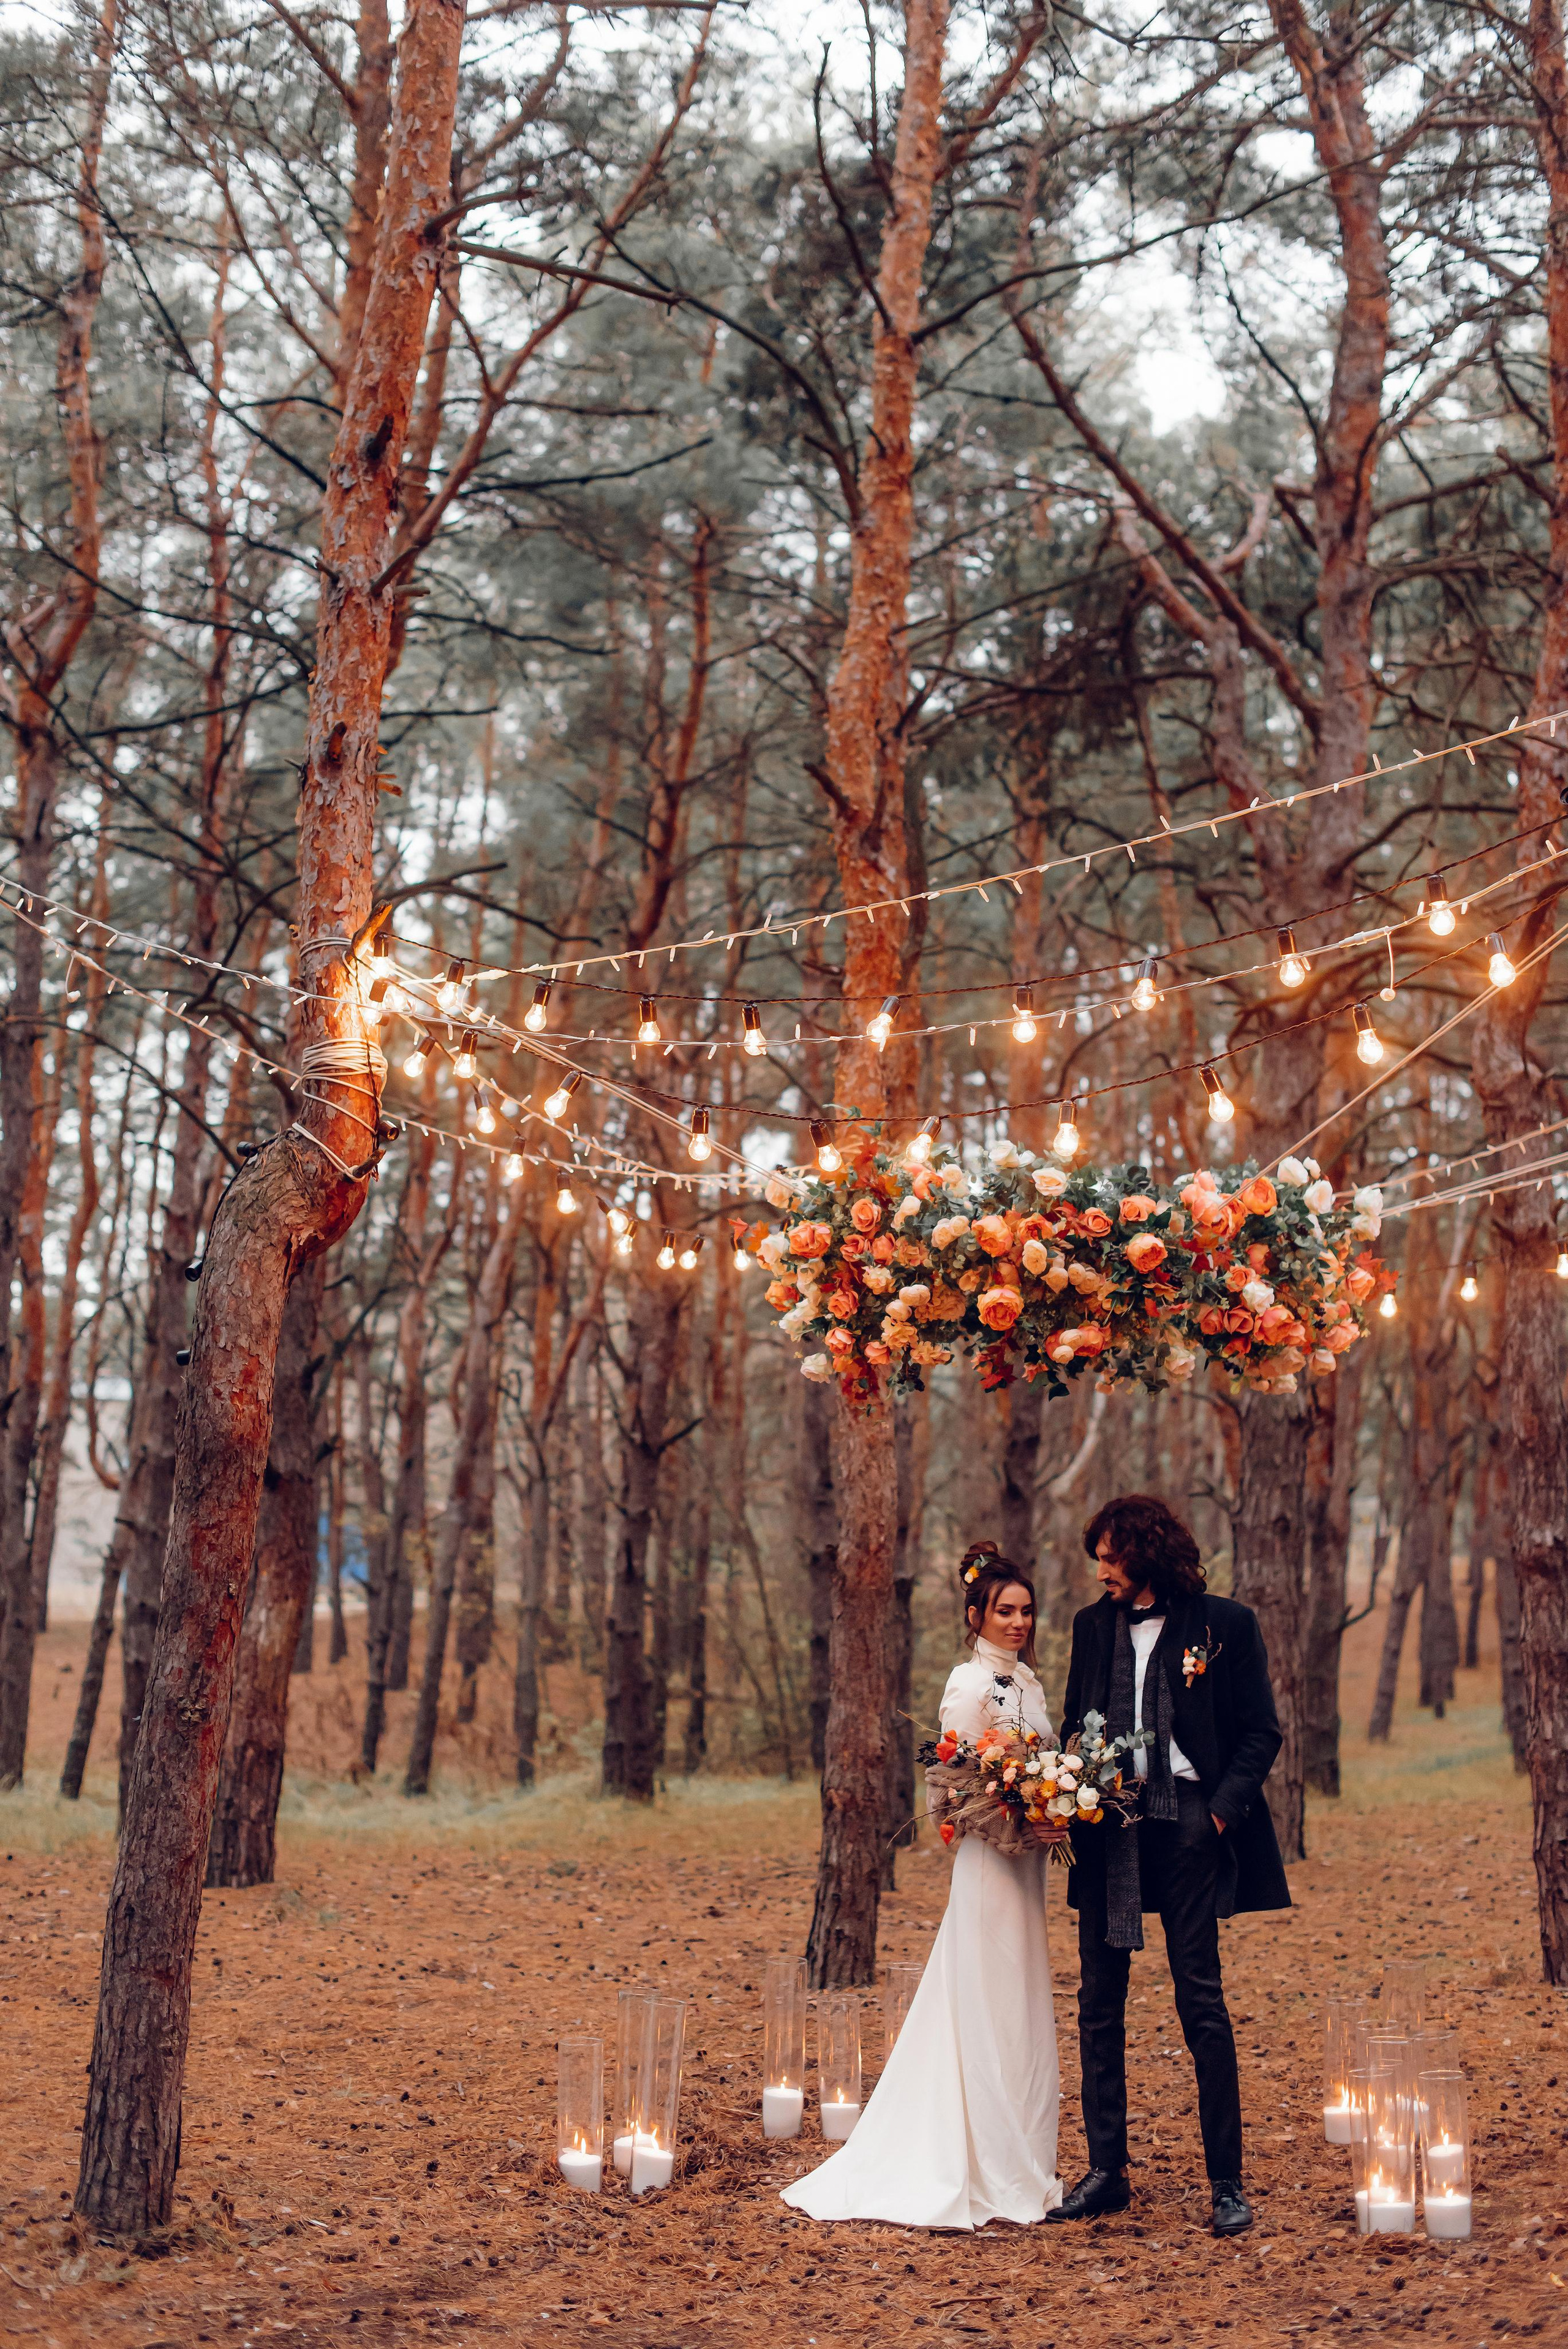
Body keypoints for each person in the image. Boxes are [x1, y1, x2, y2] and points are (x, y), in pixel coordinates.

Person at [782, 1542, 1066, 2229]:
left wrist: (1061, 1806)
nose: (1018, 1622)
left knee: (1020, 2006)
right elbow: (952, 1794)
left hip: (1027, 1872)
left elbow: (1039, 1772)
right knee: (985, 2003)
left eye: (1026, 1610)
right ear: (976, 1616)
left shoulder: (1027, 1683)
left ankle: (1022, 2156)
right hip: (991, 1868)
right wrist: (1027, 1821)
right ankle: (972, 2161)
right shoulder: (968, 1686)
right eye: (1005, 1610)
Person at [1051, 1493, 1289, 2239]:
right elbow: (1070, 1719)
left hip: (1189, 1822)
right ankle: (1105, 2172)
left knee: (1200, 2000)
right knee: (1098, 2003)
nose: (1101, 1574)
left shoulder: (1224, 1625)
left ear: (1148, 1552)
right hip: (1106, 1828)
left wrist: (1215, 1814)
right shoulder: (1092, 1629)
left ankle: (1226, 2183)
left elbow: (1260, 1733)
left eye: (1112, 1558)